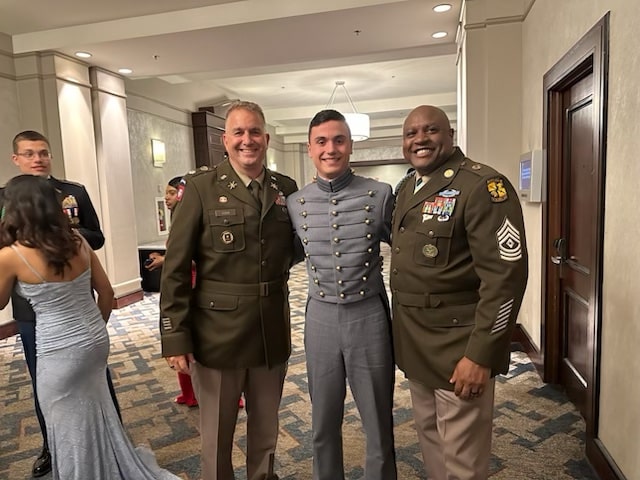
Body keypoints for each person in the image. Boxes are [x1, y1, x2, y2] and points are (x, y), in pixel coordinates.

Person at [0, 175, 180, 480]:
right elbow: (107, 294)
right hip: (95, 339)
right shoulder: (77, 241)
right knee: (98, 412)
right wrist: (92, 332)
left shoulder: (11, 256)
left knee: (65, 423)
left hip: (57, 351)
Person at [160, 100, 298, 480]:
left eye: (254, 132)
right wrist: (175, 337)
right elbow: (174, 268)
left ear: (266, 138)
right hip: (217, 332)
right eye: (238, 132)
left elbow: (297, 248)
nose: (247, 140)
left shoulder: (285, 188)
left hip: (271, 327)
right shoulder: (201, 188)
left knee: (266, 430)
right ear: (225, 139)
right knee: (217, 436)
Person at [390, 105, 528, 480]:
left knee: (463, 460)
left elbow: (506, 278)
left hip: (458, 348)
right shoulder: (407, 187)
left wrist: (481, 356)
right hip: (416, 345)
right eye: (411, 133)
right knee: (432, 441)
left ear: (450, 135)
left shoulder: (482, 186)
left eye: (430, 130)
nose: (420, 139)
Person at [2, 129, 120, 478]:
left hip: (69, 307)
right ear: (17, 159)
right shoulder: (2, 197)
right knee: (47, 387)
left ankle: (103, 444)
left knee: (84, 387)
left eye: (43, 152)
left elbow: (95, 235)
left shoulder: (74, 192)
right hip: (33, 312)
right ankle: (51, 446)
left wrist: (54, 238)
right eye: (29, 153)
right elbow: (109, 294)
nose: (37, 158)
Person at [286, 109, 397, 480]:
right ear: (309, 148)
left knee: (378, 421)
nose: (330, 148)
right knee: (322, 422)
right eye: (321, 141)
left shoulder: (379, 195)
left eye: (338, 140)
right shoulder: (295, 203)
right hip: (319, 317)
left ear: (350, 145)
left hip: (369, 316)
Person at [145, 176, 199, 407]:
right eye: (166, 193)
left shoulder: (194, 217)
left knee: (196, 338)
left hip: (194, 284)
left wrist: (167, 260)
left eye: (171, 193)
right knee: (180, 338)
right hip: (178, 282)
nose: (167, 198)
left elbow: (199, 257)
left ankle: (212, 392)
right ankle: (190, 393)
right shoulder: (176, 218)